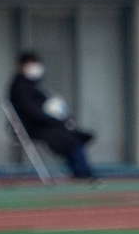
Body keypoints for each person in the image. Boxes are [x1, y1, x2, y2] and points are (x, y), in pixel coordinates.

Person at [9, 51, 95, 180]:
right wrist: (54, 120)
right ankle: (82, 173)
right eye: (30, 64)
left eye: (36, 63)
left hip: (44, 125)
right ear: (21, 66)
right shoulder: (20, 88)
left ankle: (82, 171)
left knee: (72, 135)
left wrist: (60, 119)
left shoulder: (34, 86)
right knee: (69, 137)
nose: (35, 67)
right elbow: (32, 113)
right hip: (32, 128)